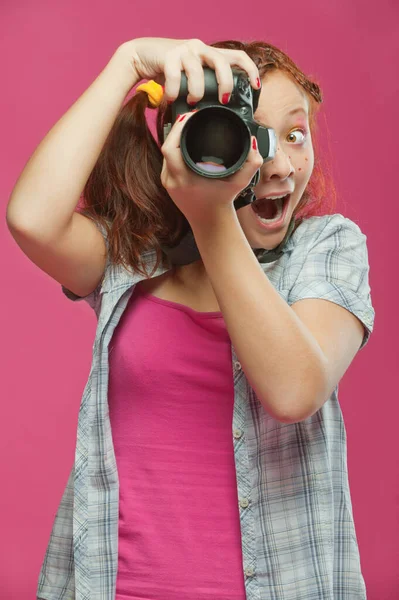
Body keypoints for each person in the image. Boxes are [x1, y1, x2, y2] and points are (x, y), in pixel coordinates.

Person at [7, 37, 375, 600]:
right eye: (249, 136)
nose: (274, 163)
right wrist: (127, 63)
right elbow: (32, 219)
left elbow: (295, 389)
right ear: (198, 143)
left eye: (295, 135)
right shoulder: (138, 256)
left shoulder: (327, 249)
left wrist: (212, 216)